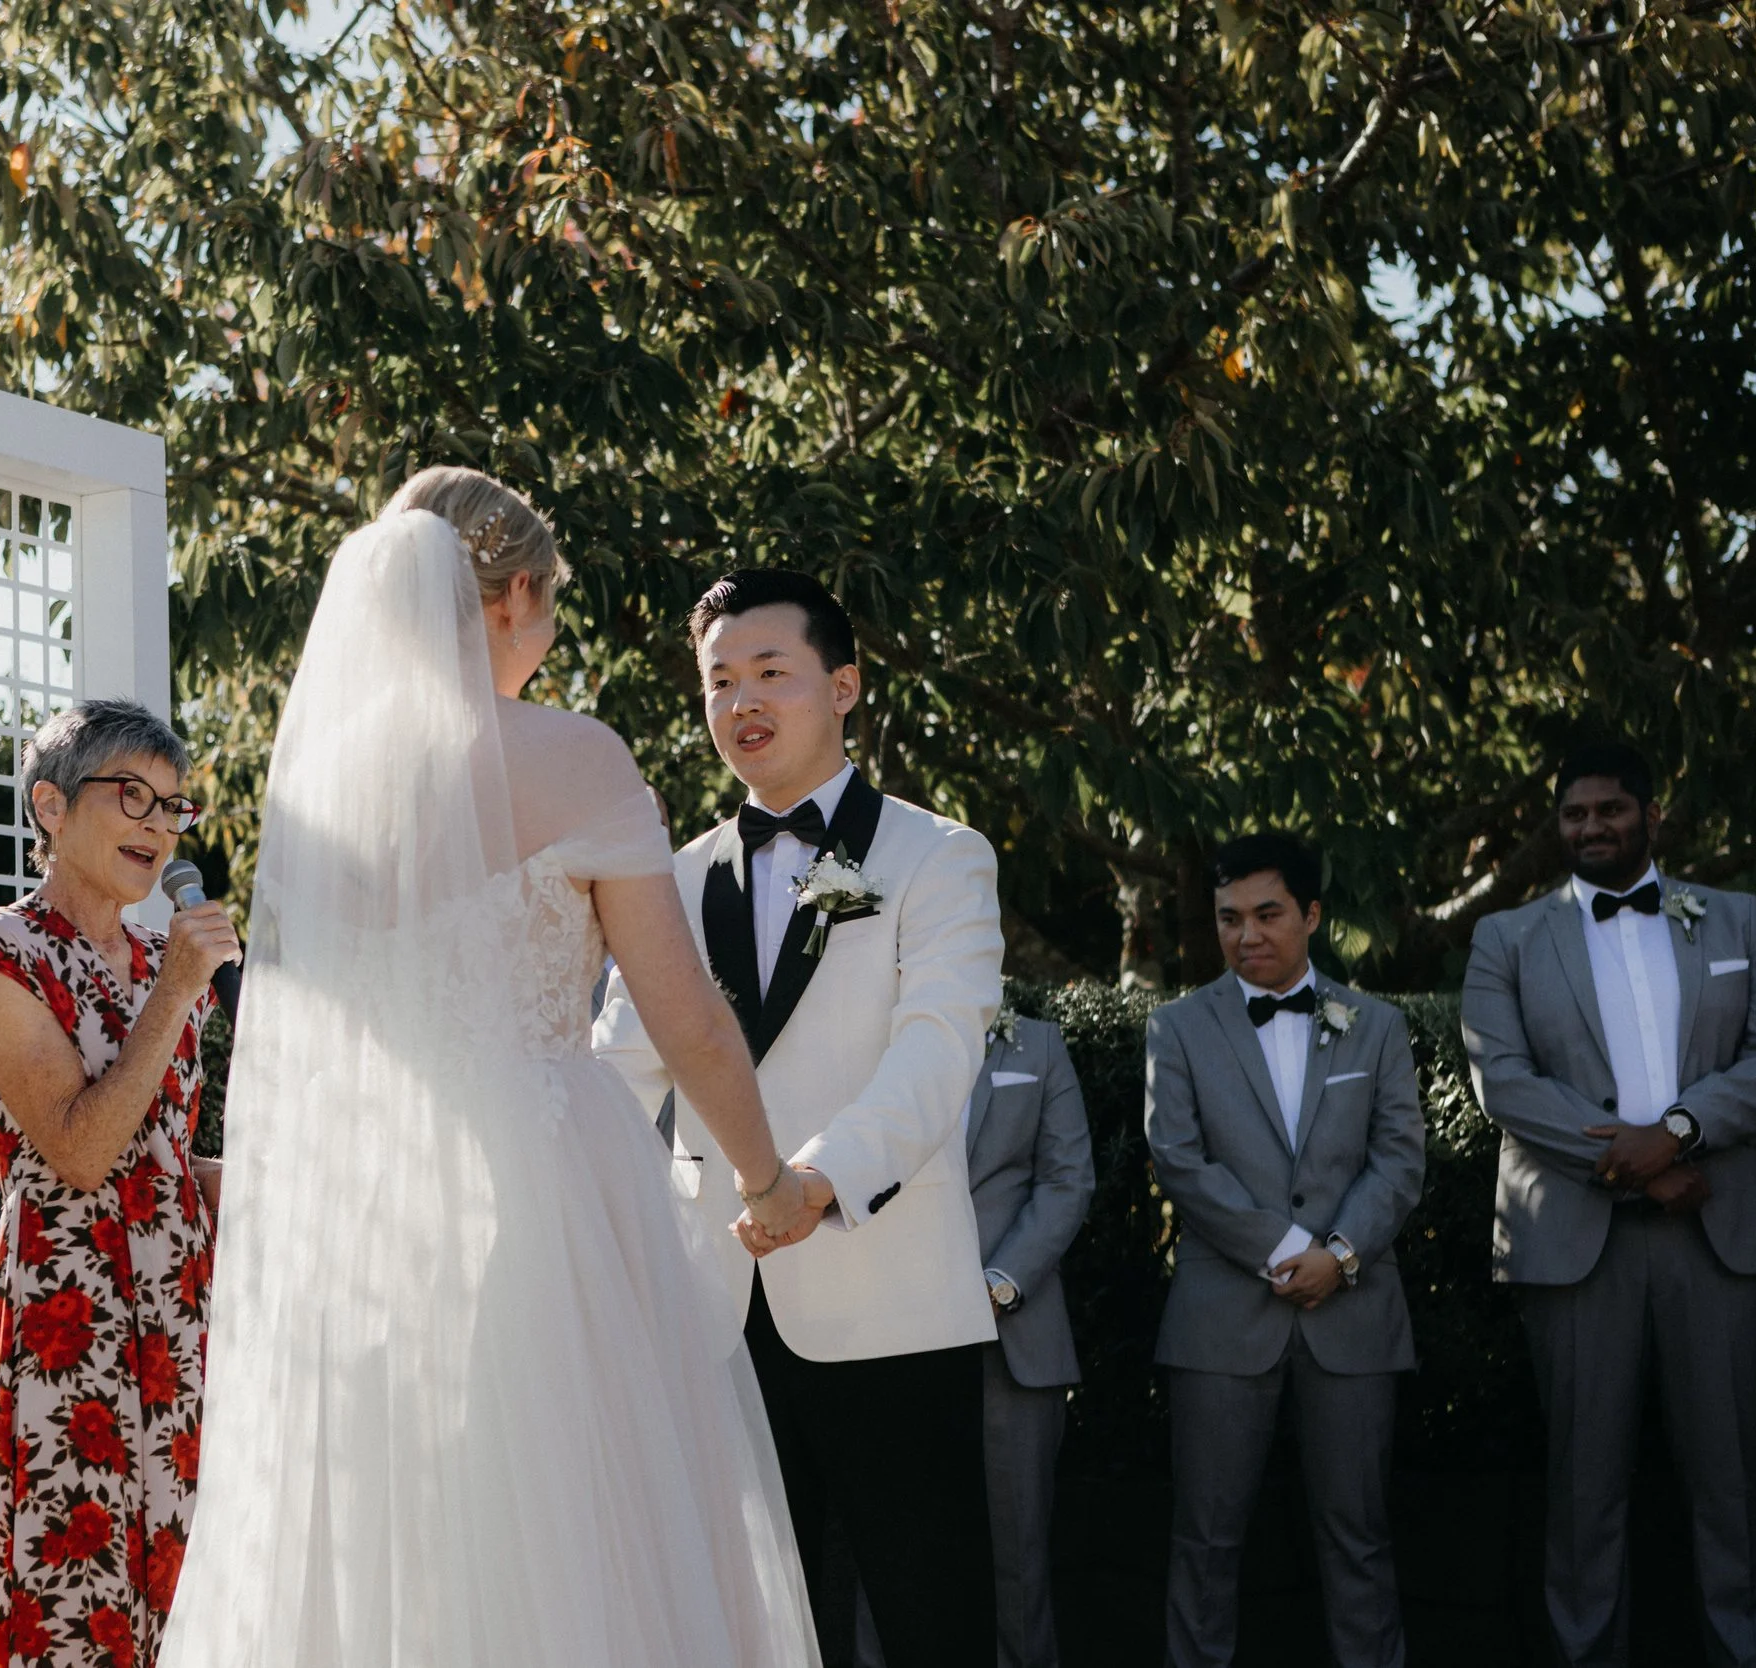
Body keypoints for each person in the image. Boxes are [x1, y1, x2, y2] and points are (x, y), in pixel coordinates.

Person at [162, 469, 818, 1667]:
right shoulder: (575, 755)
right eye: (550, 604)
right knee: (580, 1518)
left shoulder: (331, 781)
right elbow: (689, 1020)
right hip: (546, 1179)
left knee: (394, 1523)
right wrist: (767, 1179)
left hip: (370, 1202)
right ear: (515, 595)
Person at [596, 569, 1007, 1668]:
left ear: (846, 686)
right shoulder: (671, 879)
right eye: (718, 680)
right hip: (713, 1315)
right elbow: (617, 1072)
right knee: (749, 1631)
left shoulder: (936, 855)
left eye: (770, 672)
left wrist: (814, 1181)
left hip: (889, 1303)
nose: (742, 701)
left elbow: (938, 1046)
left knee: (934, 1622)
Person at [1461, 742, 1756, 1668]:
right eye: (1574, 815)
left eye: (1610, 810)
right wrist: (1642, 1166)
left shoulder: (1735, 919)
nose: (1590, 828)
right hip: (1578, 1240)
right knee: (1582, 1485)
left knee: (1732, 1482)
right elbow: (1505, 1083)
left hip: (1720, 1228)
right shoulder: (1506, 938)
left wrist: (1681, 1130)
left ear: (1652, 816)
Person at [0, 699, 243, 1668]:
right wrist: (174, 996)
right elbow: (81, 1151)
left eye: (172, 806)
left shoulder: (167, 961)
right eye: (132, 796)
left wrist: (268, 1175)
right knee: (70, 1601)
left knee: (196, 1589)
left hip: (179, 1321)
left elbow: (160, 1153)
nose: (158, 826)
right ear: (51, 806)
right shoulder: (2, 956)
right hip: (66, 1324)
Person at [1143, 833, 1424, 1668]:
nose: (1247, 936)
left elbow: (1401, 1159)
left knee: (1361, 1538)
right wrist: (1290, 1248)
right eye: (1229, 918)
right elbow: (1178, 1162)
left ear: (1311, 914)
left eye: (1268, 914)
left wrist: (1339, 1255)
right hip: (1220, 1321)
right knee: (1204, 1540)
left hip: (1356, 1311)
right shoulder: (1177, 1028)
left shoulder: (1377, 1026)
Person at [855, 1009, 1096, 1668]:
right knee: (887, 1547)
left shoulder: (1038, 1043)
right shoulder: (863, 1031)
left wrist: (999, 1284)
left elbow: (1067, 1179)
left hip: (1010, 1341)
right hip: (888, 1333)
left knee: (1019, 1557)